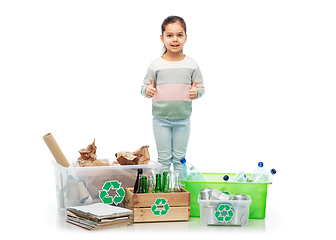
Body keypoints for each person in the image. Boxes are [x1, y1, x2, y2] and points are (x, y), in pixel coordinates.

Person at [141, 15, 205, 173]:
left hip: (183, 120)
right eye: (169, 35)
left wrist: (196, 92)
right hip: (161, 120)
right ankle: (162, 194)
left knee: (179, 159)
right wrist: (147, 91)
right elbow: (144, 88)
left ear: (185, 37)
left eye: (179, 35)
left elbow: (201, 88)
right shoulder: (156, 65)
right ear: (162, 38)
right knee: (163, 160)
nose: (175, 39)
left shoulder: (192, 64)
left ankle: (179, 192)